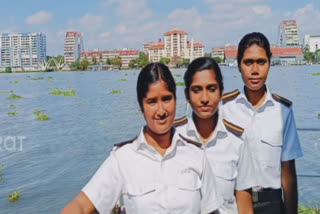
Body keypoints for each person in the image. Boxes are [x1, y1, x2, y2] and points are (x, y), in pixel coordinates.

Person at [61, 63, 221, 214]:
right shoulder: (122, 158)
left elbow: (211, 210)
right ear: (141, 106)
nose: (161, 110)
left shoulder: (196, 155)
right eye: (152, 102)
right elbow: (81, 205)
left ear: (175, 100)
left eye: (166, 99)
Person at [221, 32, 303, 214]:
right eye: (248, 62)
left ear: (269, 63)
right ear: (239, 65)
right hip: (234, 205)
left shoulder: (283, 110)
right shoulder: (225, 109)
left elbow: (288, 171)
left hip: (271, 205)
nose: (255, 70)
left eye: (261, 62)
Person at [174, 57, 256, 214]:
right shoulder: (175, 137)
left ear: (221, 92)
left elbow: (244, 203)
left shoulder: (236, 141)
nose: (204, 98)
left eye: (211, 89)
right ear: (187, 95)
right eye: (197, 90)